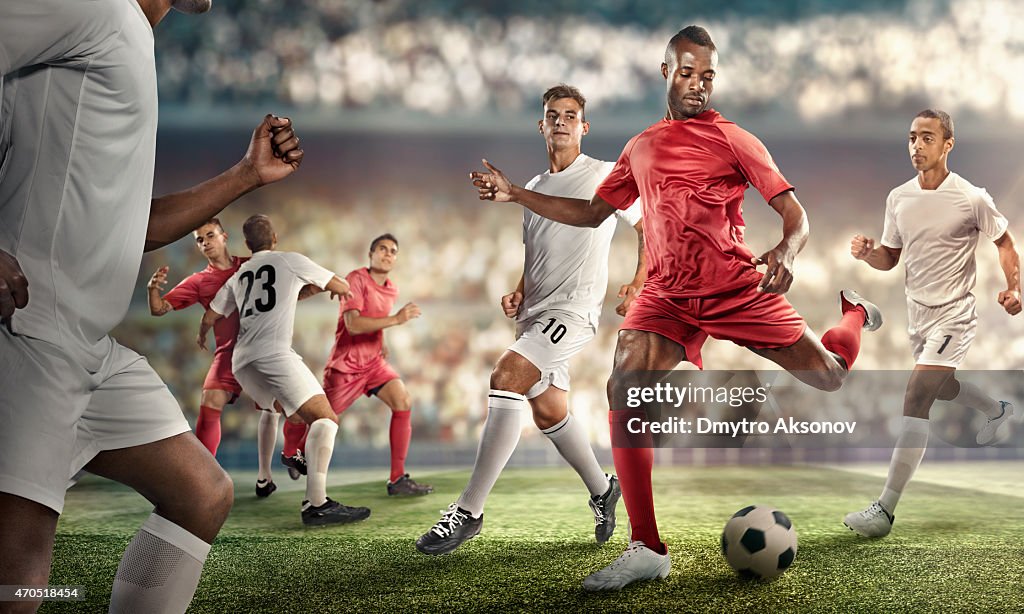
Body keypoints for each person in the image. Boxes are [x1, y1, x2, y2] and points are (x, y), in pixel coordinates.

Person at [469, 26, 883, 590]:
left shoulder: (736, 139)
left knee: (831, 378)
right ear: (666, 72)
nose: (698, 84)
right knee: (624, 385)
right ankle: (646, 547)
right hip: (666, 296)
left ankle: (853, 313)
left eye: (707, 75)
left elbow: (796, 214)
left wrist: (787, 248)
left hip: (736, 289)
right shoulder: (639, 147)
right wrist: (517, 193)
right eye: (687, 72)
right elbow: (592, 214)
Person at [0, 1, 305, 611]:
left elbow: (129, 227)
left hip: (87, 350)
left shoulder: (126, 34)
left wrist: (245, 175)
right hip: (30, 337)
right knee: (18, 587)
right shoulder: (97, 9)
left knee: (202, 494)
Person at [417, 84, 645, 555]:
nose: (561, 121)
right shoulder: (539, 188)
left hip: (574, 312)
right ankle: (604, 490)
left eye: (570, 115)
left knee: (507, 376)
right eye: (552, 114)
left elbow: (647, 225)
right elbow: (537, 250)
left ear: (584, 127)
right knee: (548, 410)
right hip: (536, 314)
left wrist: (641, 278)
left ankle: (469, 511)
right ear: (541, 125)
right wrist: (521, 290)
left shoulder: (603, 175)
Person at [843, 110, 1020, 538]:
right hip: (917, 316)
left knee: (918, 392)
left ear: (948, 144)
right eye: (911, 138)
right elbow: (891, 256)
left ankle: (884, 510)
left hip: (955, 314)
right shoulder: (898, 197)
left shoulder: (971, 197)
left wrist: (1014, 287)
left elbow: (1005, 243)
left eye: (927, 137)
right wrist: (870, 253)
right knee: (940, 386)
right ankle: (997, 410)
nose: (916, 146)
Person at [200, 214, 371, 527]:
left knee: (284, 411)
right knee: (326, 419)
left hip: (243, 362)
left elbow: (211, 315)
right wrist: (321, 289)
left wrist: (202, 333)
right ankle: (316, 503)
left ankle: (271, 473)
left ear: (248, 245)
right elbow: (341, 285)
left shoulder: (239, 275)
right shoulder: (289, 261)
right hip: (274, 354)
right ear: (275, 238)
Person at [285, 234, 434, 496]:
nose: (388, 254)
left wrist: (383, 338)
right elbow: (353, 325)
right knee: (318, 417)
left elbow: (375, 317)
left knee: (403, 401)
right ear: (371, 253)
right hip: (347, 366)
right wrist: (396, 320)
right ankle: (292, 450)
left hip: (374, 363)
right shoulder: (355, 279)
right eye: (382, 249)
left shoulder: (391, 288)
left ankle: (397, 479)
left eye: (393, 251)